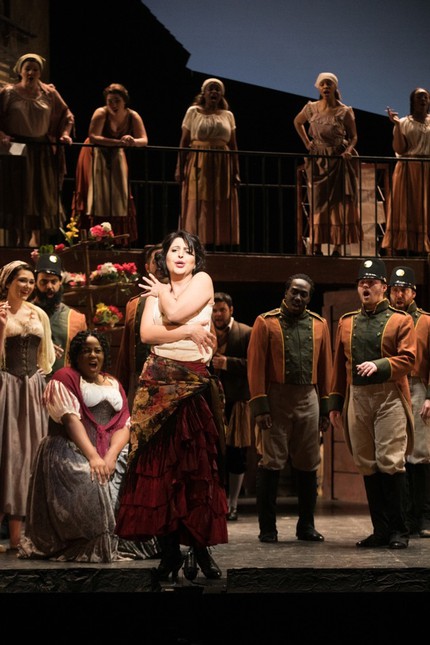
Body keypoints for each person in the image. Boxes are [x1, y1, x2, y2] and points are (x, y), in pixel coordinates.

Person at [115, 230, 228, 581]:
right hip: (156, 380)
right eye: (174, 250)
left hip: (191, 380)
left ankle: (198, 549)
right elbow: (148, 336)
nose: (180, 255)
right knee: (159, 469)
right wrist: (187, 331)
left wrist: (165, 298)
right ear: (164, 257)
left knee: (193, 468)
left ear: (196, 260)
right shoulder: (155, 290)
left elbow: (176, 310)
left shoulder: (201, 282)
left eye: (188, 251)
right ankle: (168, 552)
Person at [19, 329, 159, 562]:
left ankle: (128, 540)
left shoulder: (113, 383)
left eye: (98, 350)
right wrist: (94, 456)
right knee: (91, 480)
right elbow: (71, 421)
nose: (93, 355)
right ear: (76, 354)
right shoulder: (64, 378)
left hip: (108, 449)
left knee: (139, 470)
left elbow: (124, 424)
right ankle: (90, 539)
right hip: (70, 447)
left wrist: (112, 455)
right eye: (86, 351)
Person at [329, 258, 416, 549]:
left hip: (388, 394)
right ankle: (380, 530)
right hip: (358, 396)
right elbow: (338, 366)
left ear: (384, 287)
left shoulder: (400, 320)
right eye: (362, 283)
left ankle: (399, 531)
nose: (366, 287)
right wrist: (334, 402)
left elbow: (409, 359)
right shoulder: (346, 322)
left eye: (372, 283)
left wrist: (379, 365)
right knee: (367, 463)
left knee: (390, 462)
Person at [247, 274, 332, 543]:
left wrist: (327, 407)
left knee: (309, 464)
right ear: (285, 293)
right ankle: (268, 528)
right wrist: (261, 406)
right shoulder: (266, 322)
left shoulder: (320, 325)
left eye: (304, 294)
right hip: (276, 398)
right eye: (294, 292)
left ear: (309, 298)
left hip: (309, 397)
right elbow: (256, 365)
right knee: (271, 462)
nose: (298, 297)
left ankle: (306, 526)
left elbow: (325, 367)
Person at [0, 261, 55, 554]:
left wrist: (41, 383)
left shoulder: (39, 315)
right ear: (8, 282)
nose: (27, 286)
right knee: (8, 452)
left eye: (30, 281)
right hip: (5, 385)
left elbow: (45, 356)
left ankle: (24, 536)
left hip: (32, 387)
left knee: (31, 452)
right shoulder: (0, 312)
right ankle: (9, 534)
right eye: (21, 280)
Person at [0, 53, 74, 247]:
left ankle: (37, 245)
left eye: (35, 69)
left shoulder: (49, 93)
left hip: (41, 150)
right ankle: (18, 243)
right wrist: (2, 136)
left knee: (40, 196)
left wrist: (65, 134)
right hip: (16, 147)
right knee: (18, 194)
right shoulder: (8, 92)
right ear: (20, 70)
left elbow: (67, 115)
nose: (31, 72)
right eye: (28, 68)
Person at [293, 72, 361, 256]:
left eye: (329, 84)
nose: (325, 87)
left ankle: (338, 246)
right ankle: (316, 245)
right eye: (322, 84)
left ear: (335, 87)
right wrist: (307, 143)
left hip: (338, 159)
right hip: (318, 160)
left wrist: (348, 151)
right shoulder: (311, 108)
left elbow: (354, 136)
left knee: (338, 203)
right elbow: (297, 122)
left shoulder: (344, 110)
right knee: (318, 202)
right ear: (318, 87)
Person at [72, 83, 148, 245]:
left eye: (117, 101)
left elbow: (144, 140)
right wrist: (117, 142)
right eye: (110, 101)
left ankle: (114, 238)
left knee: (118, 194)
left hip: (116, 153)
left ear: (124, 101)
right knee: (96, 194)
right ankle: (92, 236)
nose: (113, 105)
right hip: (95, 153)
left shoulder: (132, 115)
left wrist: (131, 141)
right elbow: (93, 136)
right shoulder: (101, 113)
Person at [388, 265, 430, 537]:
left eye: (404, 289)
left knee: (421, 454)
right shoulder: (387, 319)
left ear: (413, 292)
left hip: (418, 387)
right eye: (395, 289)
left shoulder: (426, 321)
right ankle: (401, 516)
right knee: (396, 454)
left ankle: (423, 516)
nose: (399, 294)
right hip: (392, 387)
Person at [175, 78, 240, 248]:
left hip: (222, 164)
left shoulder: (228, 115)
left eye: (217, 90)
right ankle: (196, 241)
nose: (214, 92)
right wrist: (179, 168)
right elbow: (183, 141)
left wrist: (236, 171)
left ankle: (220, 243)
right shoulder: (193, 112)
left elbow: (233, 145)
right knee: (198, 201)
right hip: (198, 161)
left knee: (220, 201)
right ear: (203, 92)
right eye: (211, 89)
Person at [211, 292, 252, 521]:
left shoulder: (245, 332)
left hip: (237, 401)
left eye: (222, 310)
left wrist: (227, 363)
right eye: (215, 310)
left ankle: (233, 503)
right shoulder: (204, 331)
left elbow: (254, 364)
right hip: (212, 402)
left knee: (237, 454)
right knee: (214, 454)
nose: (218, 314)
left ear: (231, 310)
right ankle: (217, 501)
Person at [381, 88, 430, 256]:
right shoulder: (403, 122)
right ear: (412, 102)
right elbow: (399, 148)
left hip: (427, 168)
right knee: (407, 206)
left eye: (425, 97)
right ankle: (405, 246)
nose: (422, 99)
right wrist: (396, 125)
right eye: (419, 97)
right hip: (408, 167)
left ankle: (425, 245)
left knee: (425, 206)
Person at [115, 243, 163, 408]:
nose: (161, 264)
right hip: (140, 383)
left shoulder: (188, 299)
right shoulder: (135, 304)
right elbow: (125, 354)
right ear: (147, 267)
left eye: (165, 259)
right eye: (156, 260)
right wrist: (121, 390)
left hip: (173, 381)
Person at [32, 252, 87, 375]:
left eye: (54, 281)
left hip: (63, 386)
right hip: (30, 385)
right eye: (44, 282)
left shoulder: (76, 318)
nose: (49, 286)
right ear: (35, 282)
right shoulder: (25, 312)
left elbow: (82, 358)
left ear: (60, 282)